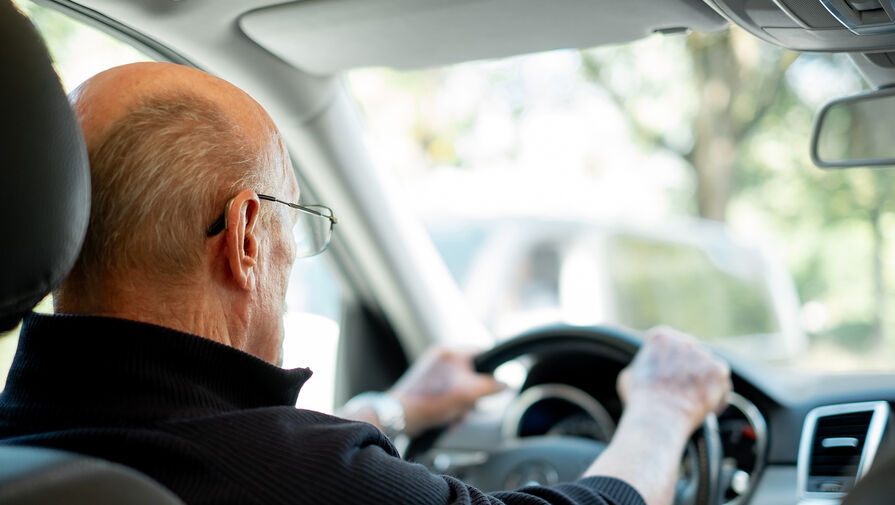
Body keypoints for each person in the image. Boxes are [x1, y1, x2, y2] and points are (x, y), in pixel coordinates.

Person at [0, 62, 731, 505]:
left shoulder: (25, 448)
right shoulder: (300, 474)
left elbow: (209, 446)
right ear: (249, 235)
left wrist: (395, 409)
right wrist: (663, 409)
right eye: (295, 222)